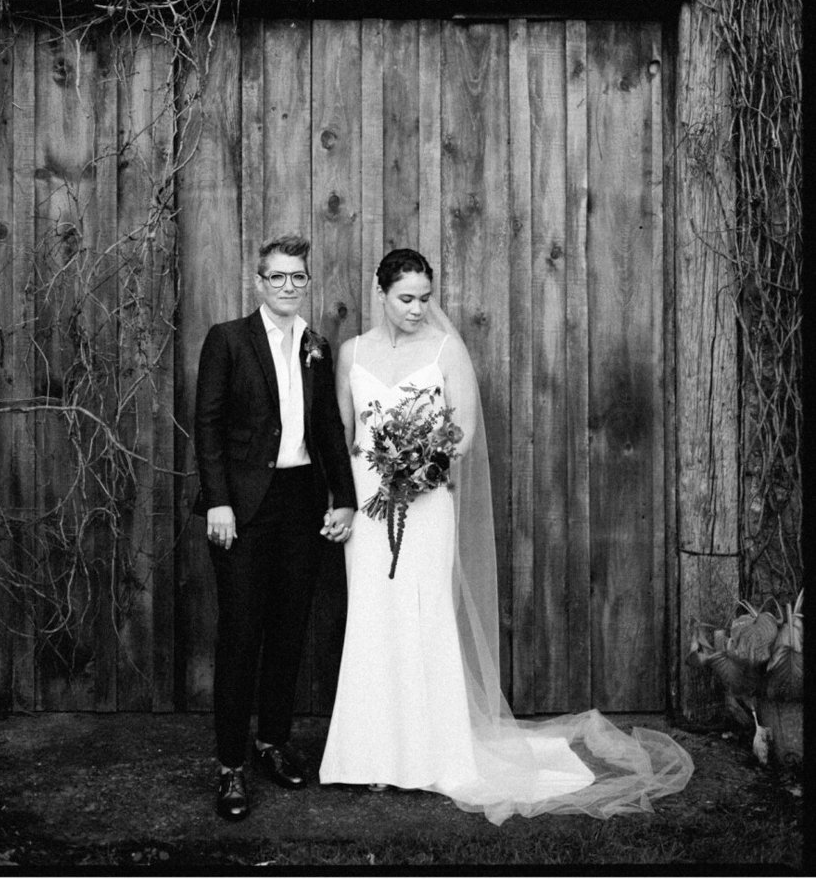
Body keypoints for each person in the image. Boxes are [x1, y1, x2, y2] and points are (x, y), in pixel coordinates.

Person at [319, 248, 693, 822]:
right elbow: (342, 433)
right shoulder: (351, 353)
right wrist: (343, 499)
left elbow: (463, 432)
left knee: (423, 614)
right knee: (372, 616)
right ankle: (369, 755)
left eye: (425, 298)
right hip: (371, 506)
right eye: (405, 299)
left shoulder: (447, 350)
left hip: (425, 500)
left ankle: (427, 756)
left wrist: (422, 461)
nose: (418, 309)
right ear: (380, 292)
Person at [194, 234, 356, 822]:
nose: (288, 286)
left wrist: (345, 499)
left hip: (302, 502)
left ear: (307, 283)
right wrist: (218, 503)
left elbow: (330, 432)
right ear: (259, 282)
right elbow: (207, 425)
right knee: (241, 634)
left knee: (290, 629)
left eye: (298, 277)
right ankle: (230, 766)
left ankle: (273, 743)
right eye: (278, 277)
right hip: (242, 507)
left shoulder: (318, 344)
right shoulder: (228, 340)